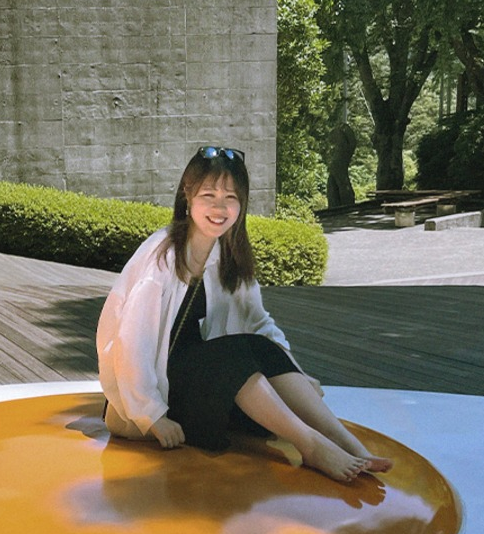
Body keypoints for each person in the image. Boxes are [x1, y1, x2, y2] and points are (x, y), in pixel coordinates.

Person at [96, 145, 393, 482]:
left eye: (231, 198)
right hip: (150, 401)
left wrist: (293, 372)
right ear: (187, 196)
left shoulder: (227, 253)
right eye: (208, 195)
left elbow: (258, 324)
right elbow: (131, 342)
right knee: (232, 356)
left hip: (200, 379)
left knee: (258, 345)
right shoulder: (163, 256)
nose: (219, 208)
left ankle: (346, 442)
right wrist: (151, 415)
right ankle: (310, 445)